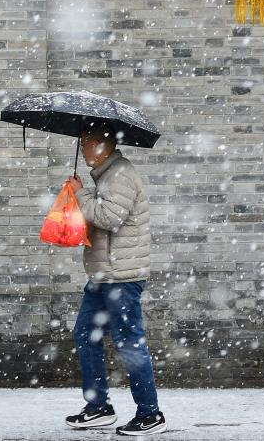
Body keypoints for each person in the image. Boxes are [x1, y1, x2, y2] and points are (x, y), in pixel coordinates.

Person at [65, 125, 166, 436]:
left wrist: (80, 193)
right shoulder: (106, 174)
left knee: (129, 342)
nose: (82, 149)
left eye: (86, 143)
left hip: (122, 276)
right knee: (86, 334)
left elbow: (109, 218)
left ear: (102, 145)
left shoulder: (121, 174)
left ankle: (150, 414)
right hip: (103, 275)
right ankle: (99, 407)